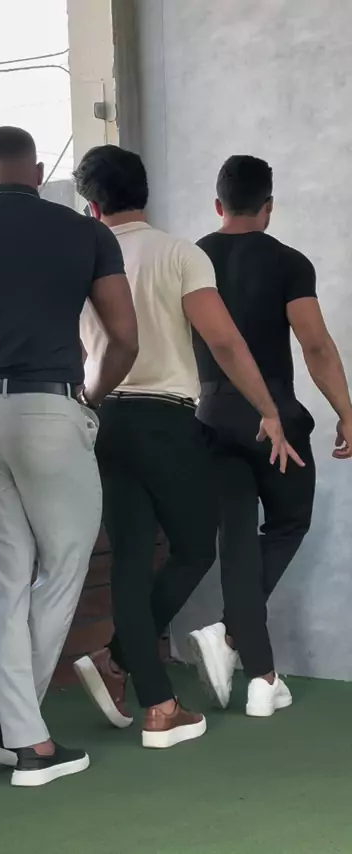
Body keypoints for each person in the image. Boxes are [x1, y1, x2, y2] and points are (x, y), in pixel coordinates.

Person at [0, 127, 138, 787]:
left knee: (2, 580)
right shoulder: (85, 233)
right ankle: (28, 743)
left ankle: (7, 728)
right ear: (38, 172)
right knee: (64, 567)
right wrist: (89, 399)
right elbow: (123, 338)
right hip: (50, 408)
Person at [73, 144, 302, 750]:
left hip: (104, 417)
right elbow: (223, 341)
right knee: (196, 546)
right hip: (166, 416)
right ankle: (124, 668)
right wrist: (268, 410)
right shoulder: (178, 252)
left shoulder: (83, 254)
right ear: (145, 191)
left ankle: (152, 700)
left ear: (91, 205)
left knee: (129, 556)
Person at [189, 155, 352, 717]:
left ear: (218, 205)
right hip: (272, 413)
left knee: (235, 539)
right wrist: (345, 411)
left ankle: (256, 670)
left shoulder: (192, 259)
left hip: (210, 415)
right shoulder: (287, 262)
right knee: (288, 521)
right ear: (269, 207)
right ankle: (234, 638)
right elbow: (316, 345)